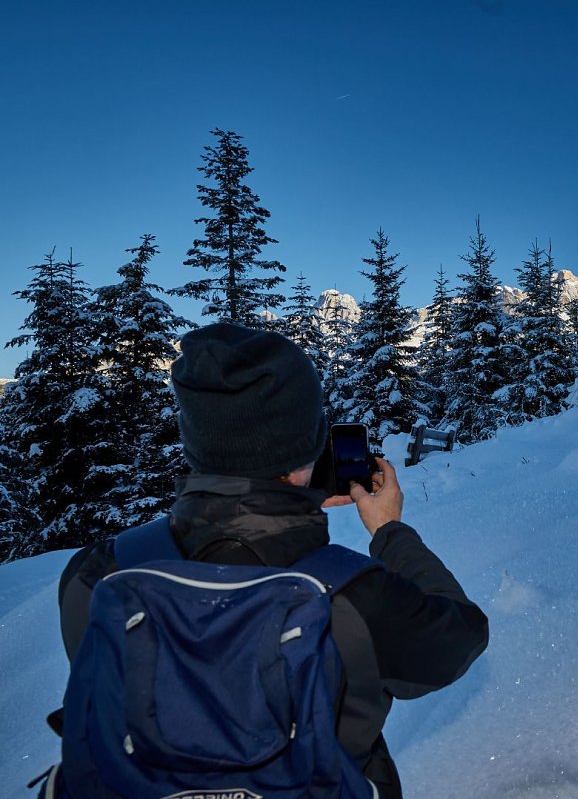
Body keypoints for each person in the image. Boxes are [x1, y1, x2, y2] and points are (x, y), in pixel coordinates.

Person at [55, 322, 489, 798]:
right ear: (308, 447)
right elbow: (460, 637)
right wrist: (389, 530)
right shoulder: (353, 597)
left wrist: (283, 496)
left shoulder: (98, 574)